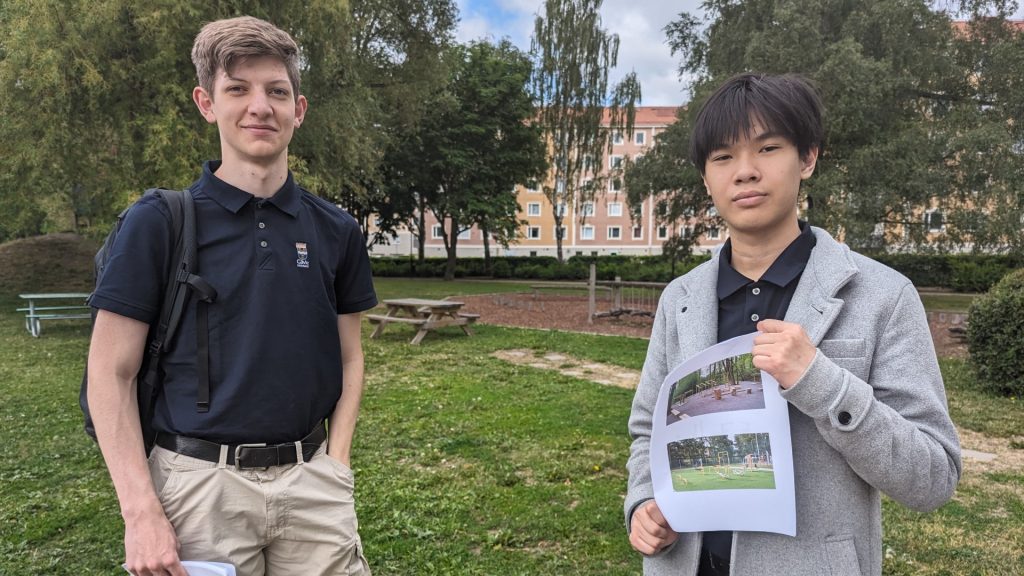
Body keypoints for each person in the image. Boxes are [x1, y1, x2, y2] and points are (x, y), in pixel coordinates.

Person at [624, 73, 961, 576]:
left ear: (807, 158)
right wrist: (644, 501)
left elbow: (933, 477)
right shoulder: (681, 299)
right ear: (706, 177)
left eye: (768, 148)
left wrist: (822, 383)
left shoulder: (882, 296)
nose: (744, 172)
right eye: (722, 157)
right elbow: (649, 425)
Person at [87, 16, 377, 576]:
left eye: (277, 90)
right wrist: (140, 511)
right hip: (198, 487)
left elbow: (350, 356)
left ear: (299, 108)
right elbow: (109, 374)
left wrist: (336, 465)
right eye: (237, 89)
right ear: (206, 102)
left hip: (313, 486)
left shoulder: (336, 229)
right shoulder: (158, 222)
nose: (260, 107)